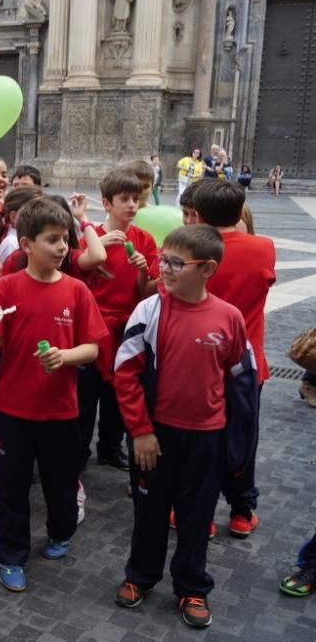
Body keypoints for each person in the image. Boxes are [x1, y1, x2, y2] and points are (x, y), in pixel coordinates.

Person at [113, 224, 258, 629]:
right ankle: (140, 576)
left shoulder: (229, 318)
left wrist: (237, 445)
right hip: (155, 436)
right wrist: (140, 430)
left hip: (206, 437)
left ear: (207, 269)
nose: (165, 270)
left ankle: (192, 586)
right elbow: (125, 373)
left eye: (176, 263)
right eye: (163, 260)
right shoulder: (150, 310)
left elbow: (242, 383)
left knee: (196, 517)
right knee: (149, 511)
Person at [0, 198, 108, 592]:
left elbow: (93, 348)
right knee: (13, 487)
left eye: (65, 239)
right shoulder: (7, 287)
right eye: (52, 240)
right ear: (26, 245)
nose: (62, 247)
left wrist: (65, 356)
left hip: (61, 410)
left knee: (60, 481)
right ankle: (11, 554)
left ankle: (60, 530)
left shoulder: (77, 291)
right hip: (15, 409)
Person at [193, 180, 275, 538]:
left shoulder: (191, 250)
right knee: (244, 438)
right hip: (247, 362)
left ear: (197, 214)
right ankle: (242, 512)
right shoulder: (263, 248)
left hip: (199, 361)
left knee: (202, 442)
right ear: (240, 210)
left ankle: (201, 514)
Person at [79, 170, 158, 473]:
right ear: (107, 203)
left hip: (128, 328)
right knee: (88, 392)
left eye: (136, 199)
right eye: (124, 199)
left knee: (119, 392)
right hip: (95, 326)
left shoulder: (144, 240)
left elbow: (145, 291)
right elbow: (79, 275)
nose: (132, 206)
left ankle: (110, 447)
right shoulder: (93, 236)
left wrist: (142, 269)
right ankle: (80, 449)